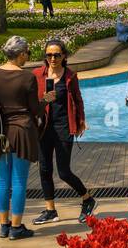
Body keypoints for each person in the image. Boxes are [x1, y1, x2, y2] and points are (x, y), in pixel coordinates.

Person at [31, 39, 97, 226]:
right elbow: (31, 102)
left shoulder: (69, 76)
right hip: (43, 128)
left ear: (64, 56)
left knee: (64, 172)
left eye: (57, 55)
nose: (53, 58)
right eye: (49, 55)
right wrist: (43, 100)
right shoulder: (37, 75)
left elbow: (78, 99)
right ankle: (50, 210)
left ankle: (87, 198)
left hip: (63, 128)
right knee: (44, 170)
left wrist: (81, 120)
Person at [0, 36, 44, 240]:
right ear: (21, 54)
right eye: (27, 53)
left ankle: (4, 225)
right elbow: (34, 109)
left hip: (0, 132)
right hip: (21, 131)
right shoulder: (27, 77)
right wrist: (46, 100)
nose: (28, 56)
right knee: (19, 180)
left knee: (3, 179)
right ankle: (17, 227)